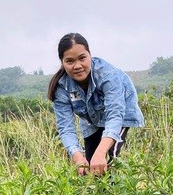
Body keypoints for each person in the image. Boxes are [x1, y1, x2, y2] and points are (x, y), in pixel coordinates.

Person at [47, 33, 144, 176]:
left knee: (109, 159)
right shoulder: (61, 87)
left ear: (90, 55)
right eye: (70, 61)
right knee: (88, 167)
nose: (77, 66)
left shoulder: (107, 75)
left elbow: (115, 115)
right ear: (62, 62)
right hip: (91, 120)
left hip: (120, 114)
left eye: (82, 58)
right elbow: (66, 128)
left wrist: (101, 152)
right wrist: (77, 156)